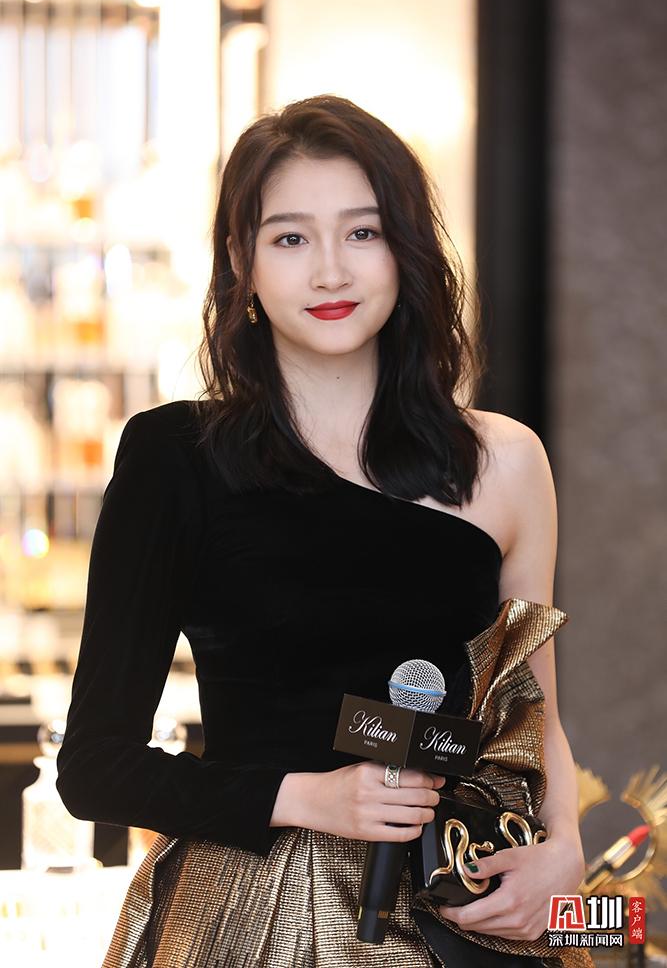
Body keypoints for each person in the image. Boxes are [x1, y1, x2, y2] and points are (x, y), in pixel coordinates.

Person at [56, 94, 591, 968]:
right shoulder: (175, 457)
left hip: (465, 901)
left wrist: (563, 850)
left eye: (362, 232)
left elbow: (535, 719)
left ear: (407, 249)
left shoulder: (505, 461)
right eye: (290, 239)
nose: (330, 272)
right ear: (241, 261)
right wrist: (308, 798)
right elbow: (94, 767)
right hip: (251, 913)